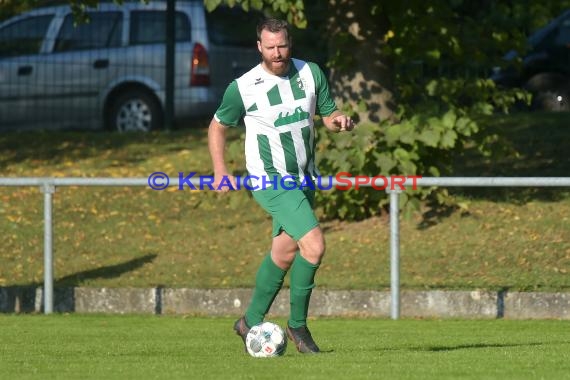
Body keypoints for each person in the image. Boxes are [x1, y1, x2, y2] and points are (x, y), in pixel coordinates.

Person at [207, 17, 355, 354]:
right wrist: (220, 170)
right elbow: (217, 127)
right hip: (269, 180)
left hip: (304, 178)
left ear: (290, 43)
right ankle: (298, 327)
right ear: (259, 46)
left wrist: (338, 121)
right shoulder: (243, 87)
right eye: (270, 47)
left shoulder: (311, 73)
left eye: (282, 46)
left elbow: (328, 115)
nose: (277, 53)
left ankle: (249, 321)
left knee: (285, 252)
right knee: (314, 246)